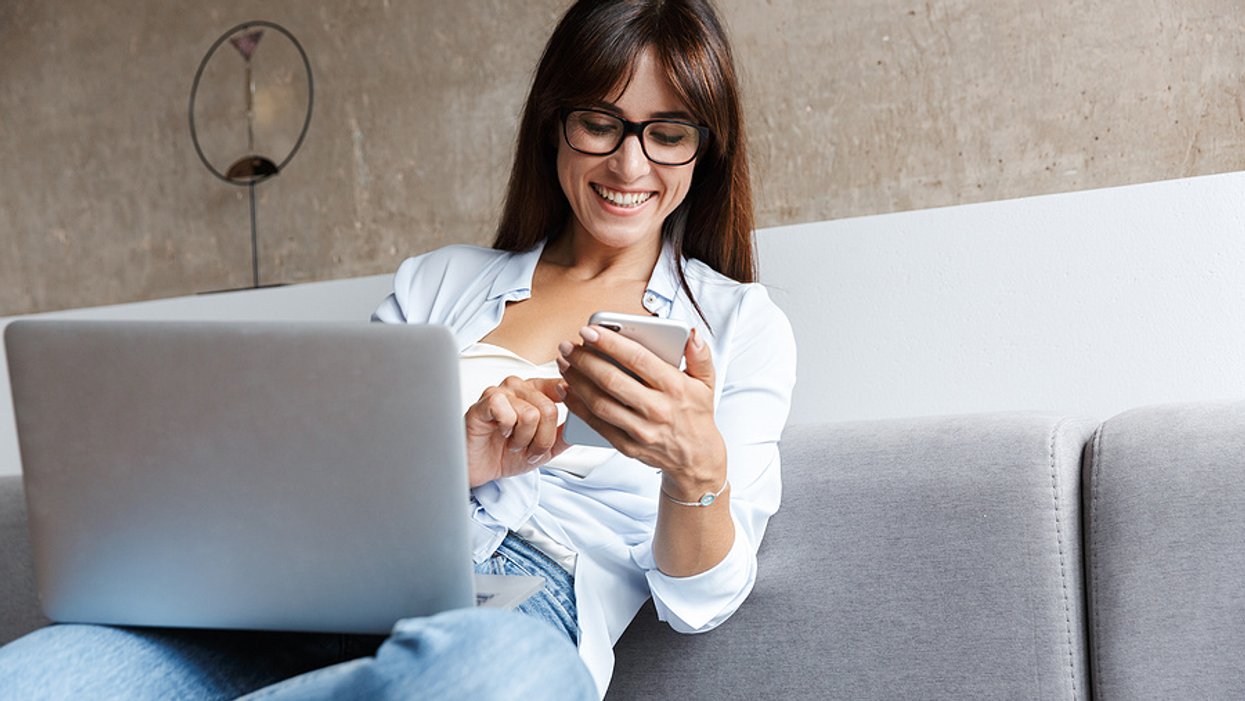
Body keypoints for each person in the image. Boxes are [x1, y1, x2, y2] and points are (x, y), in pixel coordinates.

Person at [0, 0, 794, 698]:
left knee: (508, 680)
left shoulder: (735, 324)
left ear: (703, 148)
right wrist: (458, 458)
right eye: (600, 123)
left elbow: (702, 599)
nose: (629, 164)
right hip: (332, 588)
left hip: (517, 610)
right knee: (41, 673)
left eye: (666, 134)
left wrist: (697, 467)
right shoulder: (440, 282)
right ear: (555, 123)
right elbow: (329, 487)